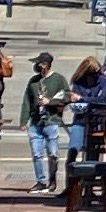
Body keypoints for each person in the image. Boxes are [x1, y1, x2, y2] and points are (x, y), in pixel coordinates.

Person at [21, 50, 71, 191]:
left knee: (53, 153)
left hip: (51, 120)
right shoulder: (33, 81)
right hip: (35, 121)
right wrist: (24, 120)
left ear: (46, 65)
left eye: (39, 64)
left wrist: (51, 102)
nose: (37, 66)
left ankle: (52, 180)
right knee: (37, 153)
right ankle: (40, 181)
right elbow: (27, 100)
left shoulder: (59, 79)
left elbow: (67, 96)